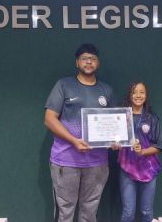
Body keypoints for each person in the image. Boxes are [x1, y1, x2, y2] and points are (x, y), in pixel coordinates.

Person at [44, 43, 115, 222]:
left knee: (90, 211)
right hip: (66, 161)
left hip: (97, 163)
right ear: (77, 62)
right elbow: (49, 119)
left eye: (93, 58)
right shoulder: (63, 85)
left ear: (98, 63)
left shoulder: (106, 90)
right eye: (84, 58)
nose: (89, 61)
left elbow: (114, 124)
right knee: (65, 212)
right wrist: (74, 141)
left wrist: (116, 140)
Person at [118, 82, 162, 222]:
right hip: (127, 168)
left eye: (142, 92)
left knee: (146, 211)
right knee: (128, 212)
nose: (138, 95)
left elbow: (159, 146)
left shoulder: (152, 118)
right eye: (134, 92)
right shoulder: (121, 117)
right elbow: (114, 139)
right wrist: (113, 144)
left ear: (146, 95)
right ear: (129, 95)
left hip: (148, 169)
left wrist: (143, 152)